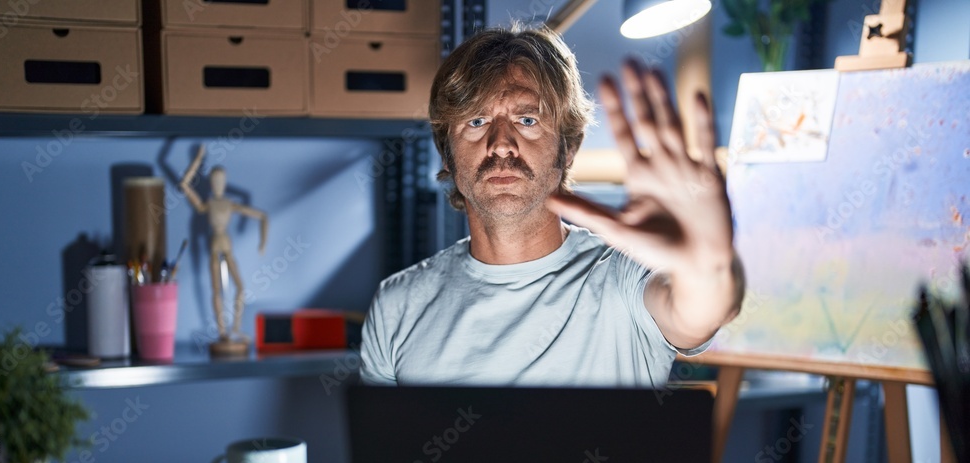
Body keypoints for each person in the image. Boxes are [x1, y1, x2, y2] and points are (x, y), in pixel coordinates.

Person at [360, 25, 744, 387]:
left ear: (569, 147)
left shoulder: (624, 280)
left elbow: (701, 311)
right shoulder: (397, 307)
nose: (501, 144)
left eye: (527, 120)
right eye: (476, 121)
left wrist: (709, 266)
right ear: (447, 153)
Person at [180, 145, 268, 353]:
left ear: (225, 182)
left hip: (226, 245)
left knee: (240, 287)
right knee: (216, 290)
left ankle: (235, 328)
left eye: (221, 180)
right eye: (214, 180)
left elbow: (262, 216)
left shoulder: (229, 204)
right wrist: (197, 160)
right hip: (213, 246)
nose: (218, 184)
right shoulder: (207, 204)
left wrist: (262, 241)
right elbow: (184, 184)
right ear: (211, 182)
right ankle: (222, 331)